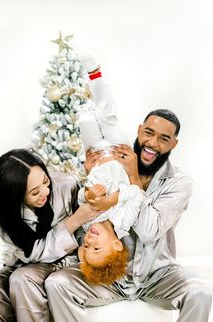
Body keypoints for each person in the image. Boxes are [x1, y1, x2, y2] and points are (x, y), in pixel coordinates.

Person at [44, 108, 213, 322]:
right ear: (139, 130)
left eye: (163, 138)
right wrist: (92, 181)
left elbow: (148, 231)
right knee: (57, 283)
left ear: (173, 144)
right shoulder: (111, 167)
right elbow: (87, 228)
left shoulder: (179, 183)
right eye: (148, 133)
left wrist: (133, 176)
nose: (152, 143)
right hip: (108, 276)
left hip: (157, 275)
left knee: (200, 292)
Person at [0, 148, 101, 322]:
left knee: (22, 279)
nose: (45, 192)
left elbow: (86, 233)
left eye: (46, 181)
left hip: (65, 260)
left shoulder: (66, 184)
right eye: (34, 192)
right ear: (15, 197)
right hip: (25, 263)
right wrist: (72, 222)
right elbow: (30, 253)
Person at [77, 56, 141, 285]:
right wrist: (110, 201)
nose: (90, 240)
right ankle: (95, 74)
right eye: (97, 247)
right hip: (117, 153)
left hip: (95, 159)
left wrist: (88, 195)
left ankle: (79, 87)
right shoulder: (124, 222)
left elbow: (80, 198)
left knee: (85, 119)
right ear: (116, 245)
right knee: (106, 117)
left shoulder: (86, 223)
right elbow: (136, 194)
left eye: (87, 246)